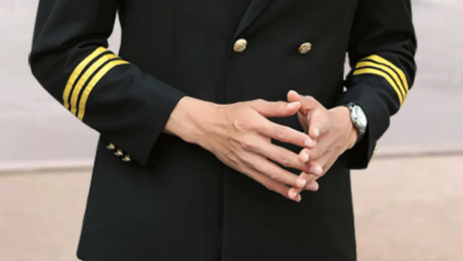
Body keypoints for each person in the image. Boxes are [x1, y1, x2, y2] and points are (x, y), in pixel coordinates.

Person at [29, 0, 416, 260]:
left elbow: (389, 47)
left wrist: (353, 121)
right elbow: (62, 49)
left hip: (300, 213)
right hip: (159, 210)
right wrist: (198, 121)